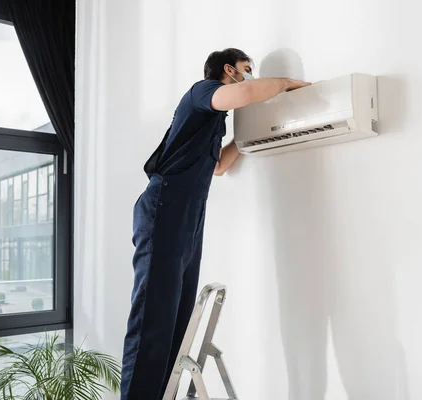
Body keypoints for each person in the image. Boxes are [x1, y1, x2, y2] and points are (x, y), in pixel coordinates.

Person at [120, 48, 311, 399]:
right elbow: (246, 93)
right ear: (228, 69)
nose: (250, 76)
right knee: (152, 322)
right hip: (164, 207)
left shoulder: (212, 122)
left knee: (176, 323)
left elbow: (219, 166)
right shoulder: (202, 92)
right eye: (246, 70)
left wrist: (252, 136)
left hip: (189, 215)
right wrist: (286, 84)